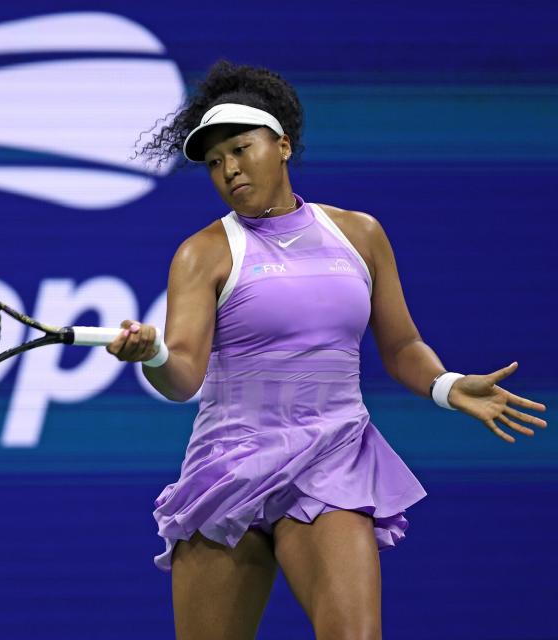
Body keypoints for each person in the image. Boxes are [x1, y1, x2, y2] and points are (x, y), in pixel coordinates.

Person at [106, 61, 548, 640]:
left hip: (331, 458)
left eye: (240, 149)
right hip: (229, 465)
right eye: (214, 163)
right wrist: (155, 355)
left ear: (282, 144)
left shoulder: (360, 234)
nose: (229, 169)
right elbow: (184, 374)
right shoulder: (203, 252)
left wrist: (445, 384)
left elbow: (403, 345)